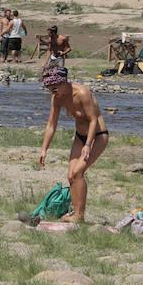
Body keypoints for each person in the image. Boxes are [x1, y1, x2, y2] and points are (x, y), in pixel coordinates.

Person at [38, 67, 108, 223]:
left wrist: (88, 145)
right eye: (49, 89)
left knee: (78, 173)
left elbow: (93, 120)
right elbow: (51, 125)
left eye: (54, 88)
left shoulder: (82, 93)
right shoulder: (57, 98)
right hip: (79, 137)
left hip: (97, 136)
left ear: (63, 82)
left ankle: (79, 215)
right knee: (71, 176)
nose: (52, 92)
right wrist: (44, 149)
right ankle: (75, 213)